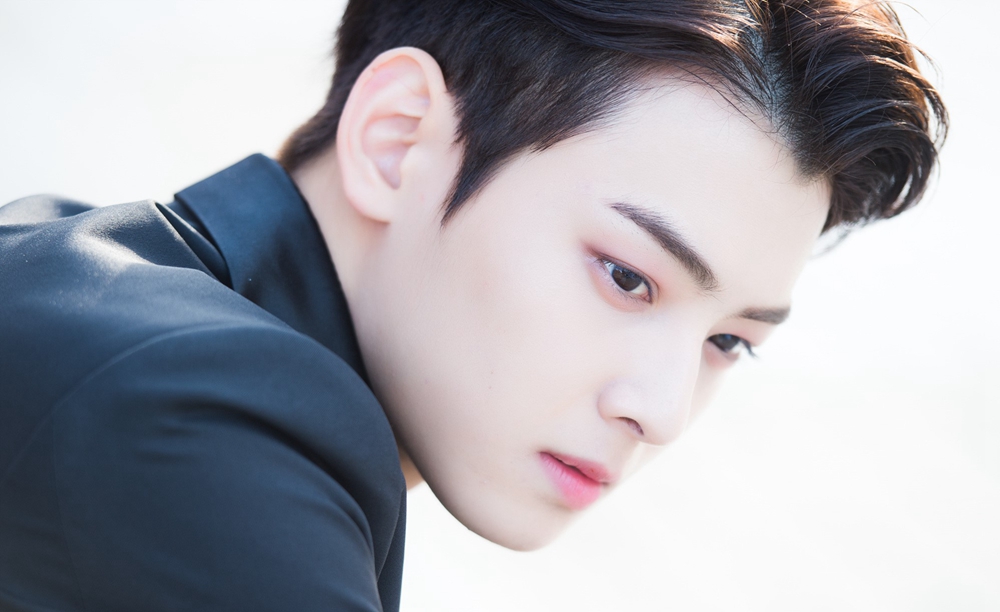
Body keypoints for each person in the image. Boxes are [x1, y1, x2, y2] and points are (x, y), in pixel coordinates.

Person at [0, 1, 946, 610]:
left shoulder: (92, 289)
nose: (660, 411)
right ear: (399, 140)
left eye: (729, 341)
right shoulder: (190, 416)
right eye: (628, 277)